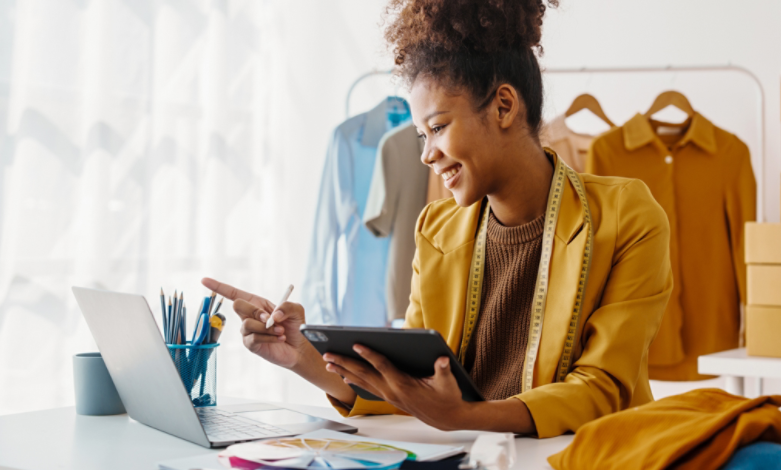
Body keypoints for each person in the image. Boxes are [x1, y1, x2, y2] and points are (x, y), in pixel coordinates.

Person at [202, 0, 672, 439]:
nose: (427, 154)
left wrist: (465, 417)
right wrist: (303, 356)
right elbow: (412, 388)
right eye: (421, 135)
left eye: (439, 128)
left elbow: (602, 388)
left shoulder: (626, 215)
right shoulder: (437, 230)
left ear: (505, 107)